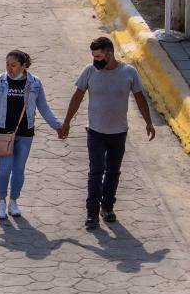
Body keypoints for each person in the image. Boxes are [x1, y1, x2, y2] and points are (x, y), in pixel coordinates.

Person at [59, 37, 155, 230]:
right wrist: (66, 122)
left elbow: (139, 98)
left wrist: (148, 122)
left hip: (119, 133)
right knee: (96, 172)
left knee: (113, 172)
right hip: (95, 132)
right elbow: (77, 97)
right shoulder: (89, 71)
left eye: (99, 56)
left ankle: (108, 207)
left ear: (110, 54)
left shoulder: (128, 72)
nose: (96, 60)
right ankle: (92, 213)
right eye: (94, 56)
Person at [0, 50, 62, 220]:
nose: (9, 69)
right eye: (7, 65)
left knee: (18, 170)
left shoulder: (35, 84)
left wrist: (58, 126)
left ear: (23, 65)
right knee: (4, 170)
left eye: (13, 65)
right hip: (2, 132)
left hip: (25, 134)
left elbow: (44, 108)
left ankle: (14, 201)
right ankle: (1, 201)